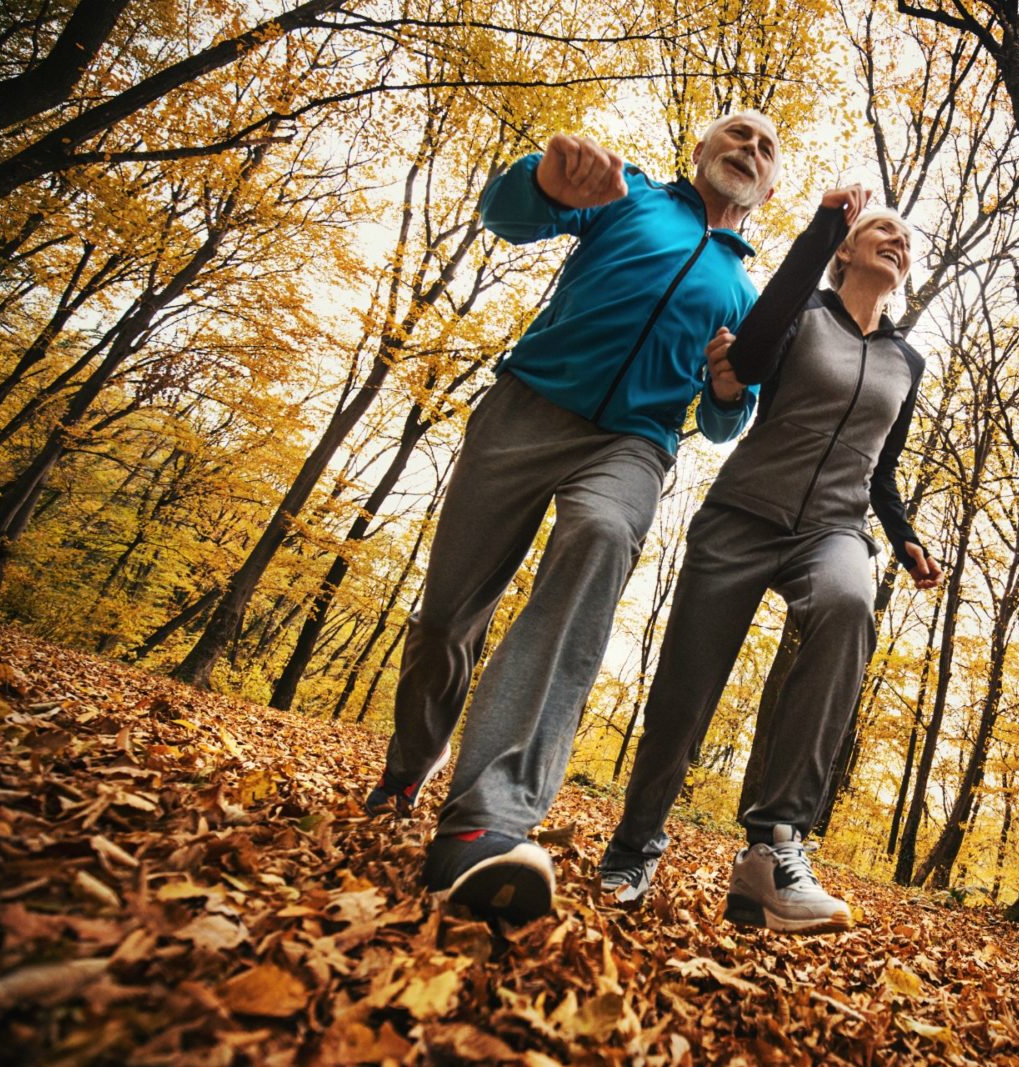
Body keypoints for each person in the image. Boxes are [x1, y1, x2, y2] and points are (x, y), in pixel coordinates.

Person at [363, 112, 782, 927]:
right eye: (736, 135)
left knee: (598, 536)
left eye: (766, 149)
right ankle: (412, 763)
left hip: (633, 445)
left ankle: (489, 819)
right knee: (448, 615)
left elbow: (726, 417)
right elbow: (511, 215)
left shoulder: (747, 294)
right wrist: (540, 182)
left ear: (771, 189)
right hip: (527, 409)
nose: (749, 150)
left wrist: (732, 391)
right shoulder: (627, 200)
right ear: (698, 152)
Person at [597, 189, 944, 934]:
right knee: (685, 694)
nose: (897, 241)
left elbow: (883, 471)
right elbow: (747, 359)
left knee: (851, 604)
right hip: (745, 513)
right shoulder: (804, 311)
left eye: (906, 240)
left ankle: (774, 844)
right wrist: (824, 227)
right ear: (847, 250)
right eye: (882, 229)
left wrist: (904, 531)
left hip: (834, 528)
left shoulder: (906, 361)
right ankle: (633, 846)